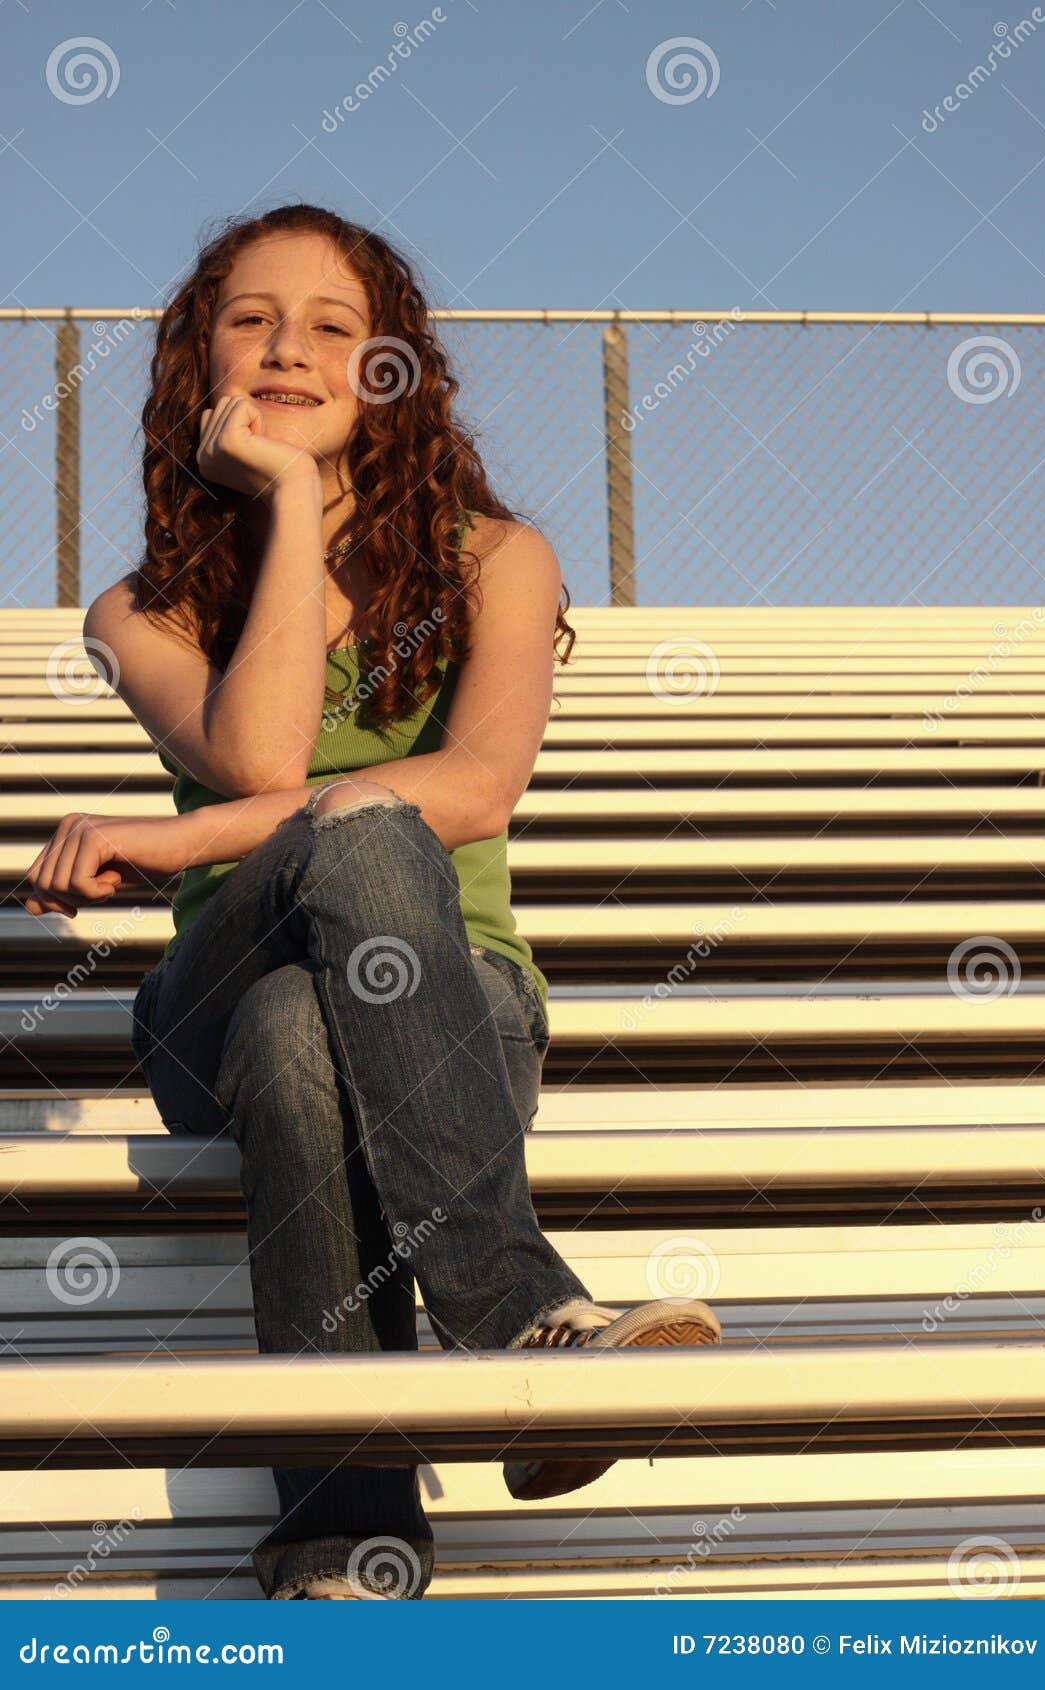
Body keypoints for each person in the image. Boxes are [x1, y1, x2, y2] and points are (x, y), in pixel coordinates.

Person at [22, 203, 721, 1600]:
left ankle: (343, 1537)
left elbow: (473, 787)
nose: (290, 349)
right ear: (195, 365)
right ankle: (518, 1306)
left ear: (392, 369)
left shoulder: (491, 562)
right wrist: (284, 502)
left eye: (335, 328)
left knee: (309, 1009)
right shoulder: (142, 607)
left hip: (460, 1002)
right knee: (328, 881)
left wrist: (179, 838)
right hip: (201, 1003)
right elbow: (271, 752)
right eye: (251, 319)